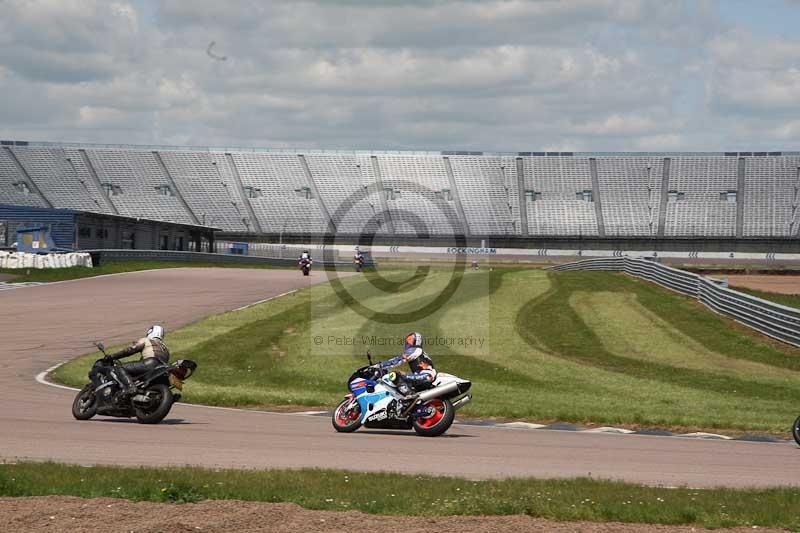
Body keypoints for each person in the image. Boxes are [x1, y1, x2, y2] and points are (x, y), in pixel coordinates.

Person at [105, 325, 170, 397]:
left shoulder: (146, 340)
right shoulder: (165, 348)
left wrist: (112, 356)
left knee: (119, 368)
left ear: (150, 332)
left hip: (150, 363)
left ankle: (130, 387)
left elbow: (130, 350)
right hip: (162, 368)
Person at [379, 332, 437, 397]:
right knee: (403, 375)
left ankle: (409, 396)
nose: (407, 343)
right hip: (426, 376)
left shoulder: (415, 350)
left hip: (425, 376)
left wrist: (380, 365)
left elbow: (398, 360)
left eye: (409, 340)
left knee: (395, 375)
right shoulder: (421, 352)